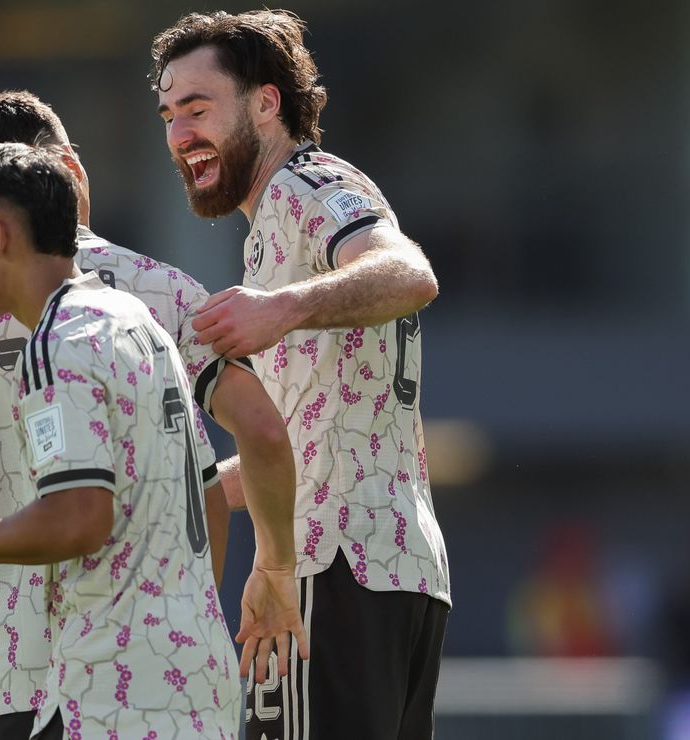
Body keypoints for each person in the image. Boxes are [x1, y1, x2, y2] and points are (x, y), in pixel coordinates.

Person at [0, 90, 305, 738]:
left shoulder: (54, 341)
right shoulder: (142, 310)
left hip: (83, 689)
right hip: (191, 676)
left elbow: (79, 516)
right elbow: (212, 482)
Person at [151, 11, 450, 740]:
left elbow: (410, 272)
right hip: (391, 565)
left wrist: (281, 308)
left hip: (334, 565)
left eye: (198, 108)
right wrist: (179, 489)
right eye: (168, 115)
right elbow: (307, 444)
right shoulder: (276, 221)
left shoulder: (310, 185)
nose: (180, 134)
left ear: (265, 103)